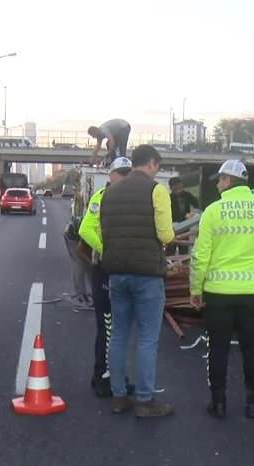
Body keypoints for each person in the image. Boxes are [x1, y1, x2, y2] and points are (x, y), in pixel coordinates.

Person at [189, 160, 254, 419]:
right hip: (252, 292)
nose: (217, 185)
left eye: (219, 180)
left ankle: (218, 403)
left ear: (227, 180)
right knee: (252, 347)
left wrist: (196, 289)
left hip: (218, 292)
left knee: (217, 347)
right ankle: (253, 402)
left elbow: (200, 256)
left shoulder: (213, 211)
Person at [99, 145, 175, 418]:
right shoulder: (156, 191)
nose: (157, 172)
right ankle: (144, 400)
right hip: (147, 275)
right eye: (158, 166)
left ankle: (118, 396)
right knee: (146, 338)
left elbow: (103, 233)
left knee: (118, 334)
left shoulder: (109, 192)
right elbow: (165, 235)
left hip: (116, 273)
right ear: (152, 162)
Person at [78, 156, 133, 397]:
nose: (124, 178)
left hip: (121, 269)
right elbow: (85, 229)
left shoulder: (130, 198)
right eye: (120, 174)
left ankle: (110, 374)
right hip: (104, 268)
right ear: (110, 175)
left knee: (117, 327)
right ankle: (103, 377)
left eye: (128, 174)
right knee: (108, 326)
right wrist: (104, 249)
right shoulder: (101, 196)